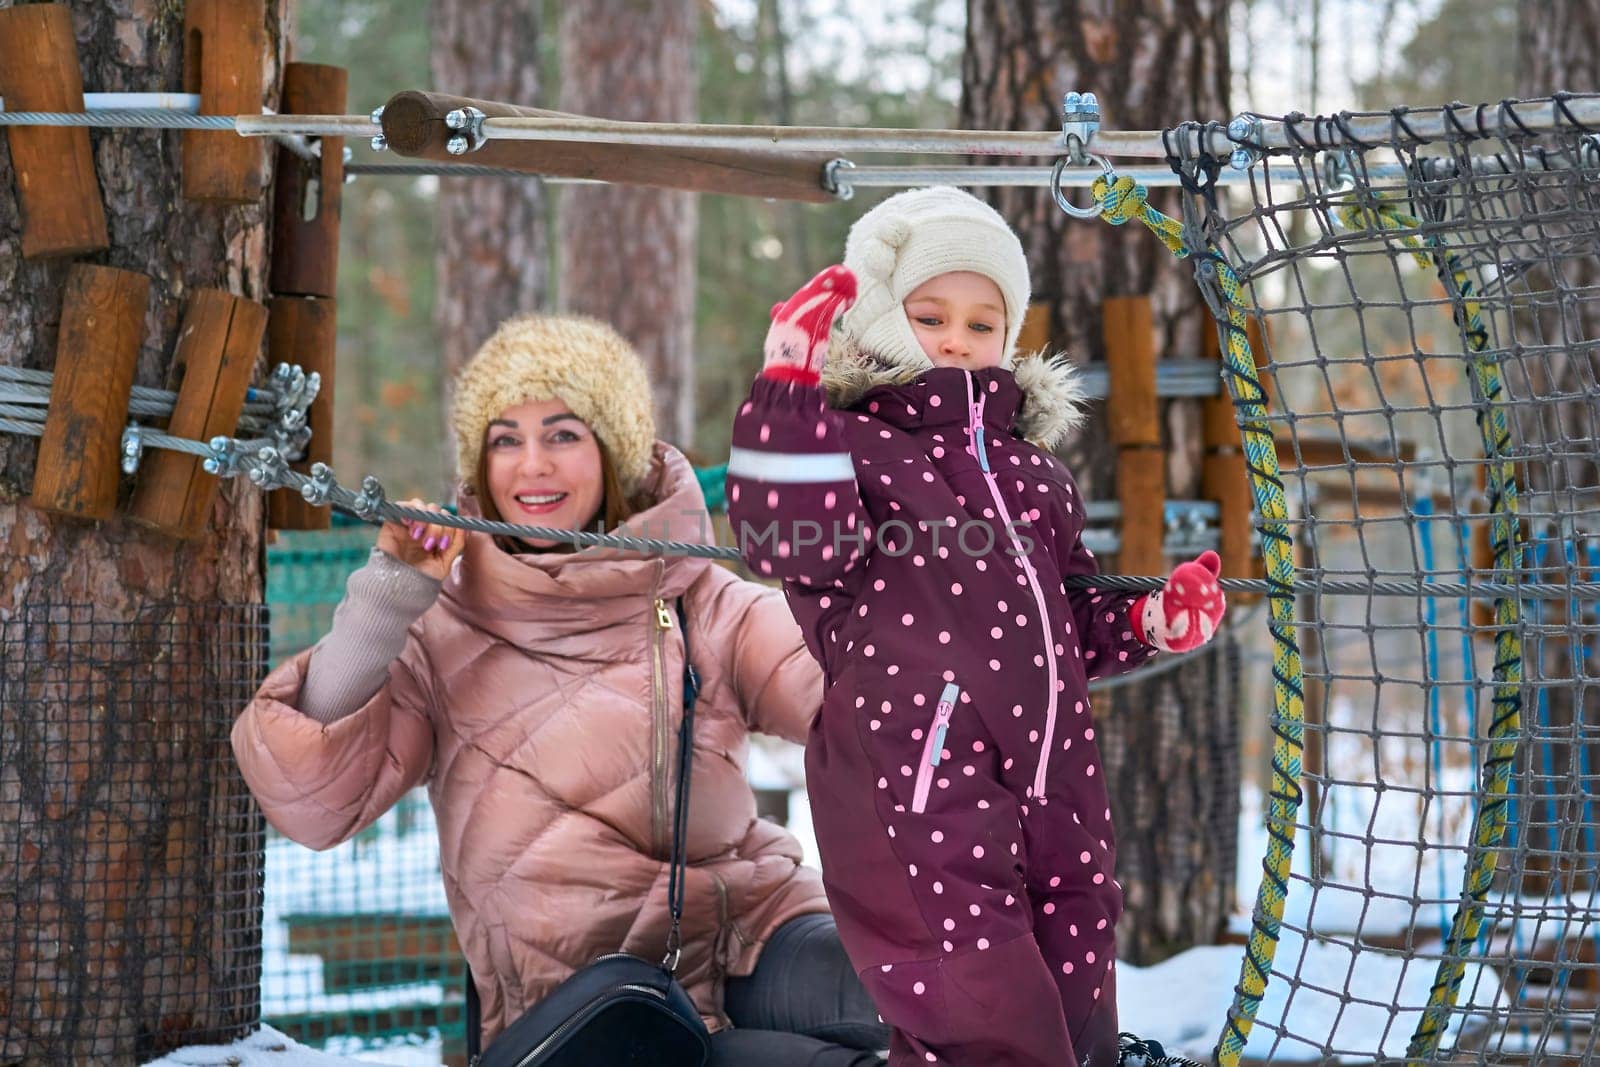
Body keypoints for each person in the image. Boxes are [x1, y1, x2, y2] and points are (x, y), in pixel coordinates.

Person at [232, 313, 889, 1065]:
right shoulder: (446, 627)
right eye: (505, 439)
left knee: (922, 998)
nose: (532, 464)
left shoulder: (699, 595)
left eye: (564, 434)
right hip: (592, 1006)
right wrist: (387, 599)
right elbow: (312, 798)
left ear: (615, 452)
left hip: (754, 931)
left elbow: (852, 694)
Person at [726, 188, 1226, 1067]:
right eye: (929, 315)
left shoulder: (1035, 472)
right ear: (881, 317)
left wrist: (1149, 618)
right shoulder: (846, 443)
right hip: (914, 785)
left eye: (981, 321)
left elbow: (1067, 613)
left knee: (1076, 1015)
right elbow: (784, 538)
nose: (957, 339)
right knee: (984, 1018)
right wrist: (786, 383)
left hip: (1056, 785)